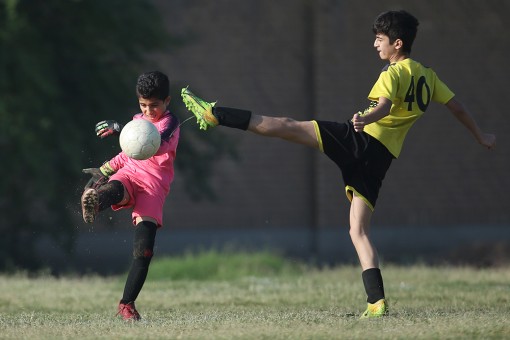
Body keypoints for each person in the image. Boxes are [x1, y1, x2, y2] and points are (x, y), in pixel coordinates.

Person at [180, 10, 496, 318]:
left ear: (397, 43)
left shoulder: (393, 72)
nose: (375, 44)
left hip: (359, 140)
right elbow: (457, 107)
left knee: (288, 125)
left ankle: (216, 115)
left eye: (380, 38)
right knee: (358, 230)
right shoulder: (429, 75)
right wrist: (480, 135)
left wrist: (365, 119)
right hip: (381, 159)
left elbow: (383, 107)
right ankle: (377, 303)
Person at [81, 71, 180, 321]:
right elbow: (128, 153)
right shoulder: (137, 121)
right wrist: (103, 171)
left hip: (153, 187)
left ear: (167, 101)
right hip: (131, 174)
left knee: (143, 251)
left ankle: (127, 304)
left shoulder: (171, 122)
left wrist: (119, 129)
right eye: (143, 105)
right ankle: (95, 202)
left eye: (154, 105)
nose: (148, 111)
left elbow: (156, 139)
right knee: (116, 189)